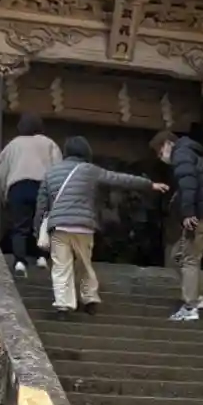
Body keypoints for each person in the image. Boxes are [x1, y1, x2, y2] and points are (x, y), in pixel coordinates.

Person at [35, 135, 168, 316]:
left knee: (61, 266)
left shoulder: (51, 173)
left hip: (58, 226)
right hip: (83, 226)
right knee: (84, 264)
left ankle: (63, 306)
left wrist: (38, 230)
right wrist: (149, 185)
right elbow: (119, 179)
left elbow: (42, 205)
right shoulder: (90, 170)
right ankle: (89, 299)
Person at [154, 126, 203, 322]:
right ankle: (196, 297)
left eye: (160, 151)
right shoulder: (195, 154)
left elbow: (188, 184)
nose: (161, 157)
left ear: (168, 144)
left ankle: (190, 306)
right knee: (177, 256)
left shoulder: (182, 154)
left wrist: (188, 213)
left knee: (188, 259)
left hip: (199, 215)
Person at [0, 112, 61, 274]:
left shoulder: (12, 145)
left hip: (17, 186)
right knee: (42, 224)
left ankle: (20, 261)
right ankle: (41, 257)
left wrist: (2, 194)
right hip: (42, 185)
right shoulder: (49, 143)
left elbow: (1, 173)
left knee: (19, 226)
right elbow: (58, 168)